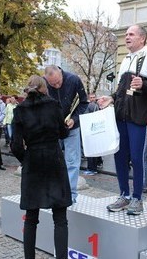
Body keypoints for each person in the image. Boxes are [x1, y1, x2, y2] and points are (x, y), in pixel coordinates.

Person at [98, 24, 147, 215]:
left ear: (142, 38)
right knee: (119, 156)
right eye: (126, 34)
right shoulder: (126, 59)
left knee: (137, 158)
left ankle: (137, 198)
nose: (127, 37)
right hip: (121, 114)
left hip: (137, 116)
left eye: (131, 34)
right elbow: (123, 89)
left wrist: (144, 84)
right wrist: (111, 97)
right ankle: (124, 195)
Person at [11, 75, 72, 259]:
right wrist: (66, 127)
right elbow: (62, 134)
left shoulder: (19, 110)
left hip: (34, 161)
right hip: (54, 160)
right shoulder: (53, 105)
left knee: (31, 218)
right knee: (60, 218)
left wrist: (26, 159)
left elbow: (15, 146)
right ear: (45, 88)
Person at [44, 65, 88, 203]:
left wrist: (74, 119)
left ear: (61, 73)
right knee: (52, 160)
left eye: (58, 82)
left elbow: (84, 102)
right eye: (53, 84)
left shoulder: (74, 80)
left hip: (72, 127)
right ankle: (53, 191)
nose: (56, 86)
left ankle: (70, 194)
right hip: (53, 128)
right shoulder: (43, 83)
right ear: (46, 80)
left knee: (72, 160)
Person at [82, 92, 102, 176]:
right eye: (91, 97)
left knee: (90, 150)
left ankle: (92, 168)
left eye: (94, 97)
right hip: (96, 129)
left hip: (91, 130)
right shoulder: (97, 105)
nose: (92, 99)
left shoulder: (89, 105)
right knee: (96, 149)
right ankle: (98, 163)